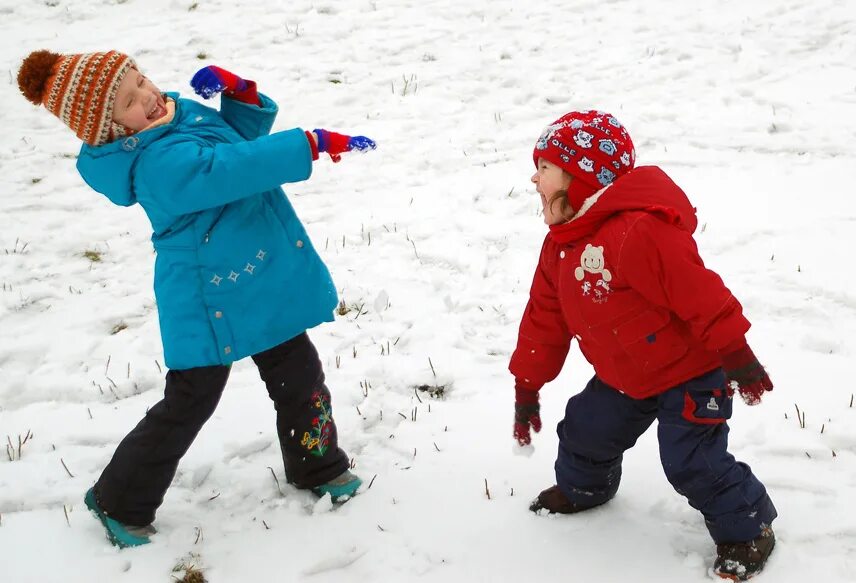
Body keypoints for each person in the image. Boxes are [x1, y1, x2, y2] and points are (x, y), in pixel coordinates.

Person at [17, 50, 376, 549]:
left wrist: (241, 94)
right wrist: (308, 144)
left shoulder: (176, 118)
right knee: (191, 399)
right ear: (114, 130)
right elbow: (227, 168)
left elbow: (236, 140)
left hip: (255, 281)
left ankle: (317, 464)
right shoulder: (155, 162)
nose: (147, 96)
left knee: (301, 378)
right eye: (128, 101)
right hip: (209, 299)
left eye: (141, 80)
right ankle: (118, 500)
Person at [510, 110, 777, 580]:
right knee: (584, 430)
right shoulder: (560, 247)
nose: (534, 178)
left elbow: (700, 293)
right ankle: (585, 489)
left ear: (582, 179)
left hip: (690, 372)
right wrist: (527, 387)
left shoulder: (638, 232)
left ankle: (748, 527)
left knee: (690, 459)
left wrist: (737, 355)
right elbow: (543, 322)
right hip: (626, 375)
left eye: (545, 168)